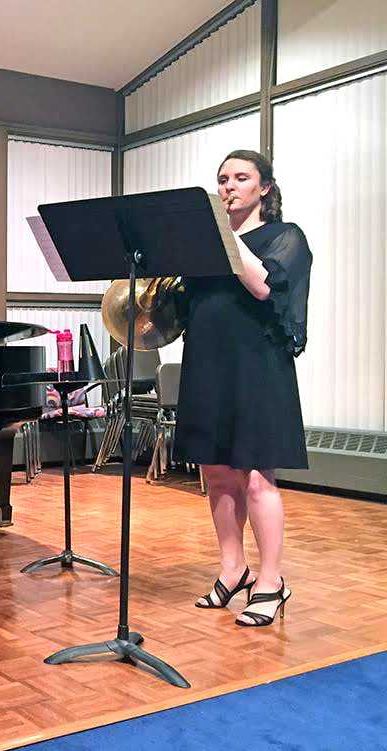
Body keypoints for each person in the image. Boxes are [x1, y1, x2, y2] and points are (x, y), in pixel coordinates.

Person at [174, 149, 311, 627]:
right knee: (216, 473)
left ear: (264, 189)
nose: (229, 186)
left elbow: (261, 287)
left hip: (258, 367)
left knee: (257, 477)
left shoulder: (285, 236)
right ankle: (234, 569)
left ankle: (271, 582)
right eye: (222, 179)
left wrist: (224, 234)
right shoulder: (206, 248)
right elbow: (178, 311)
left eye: (241, 178)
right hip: (209, 365)